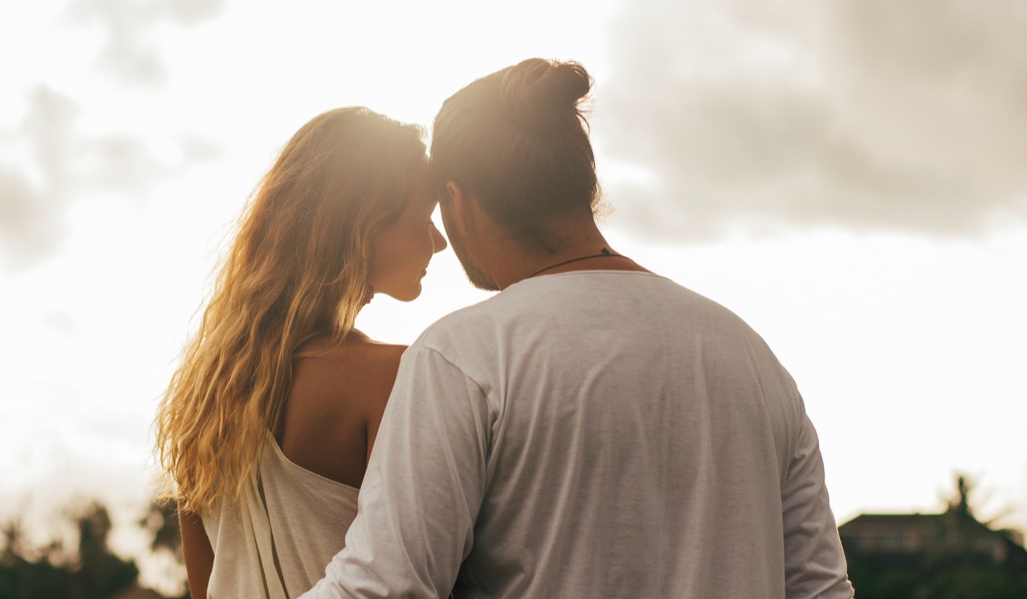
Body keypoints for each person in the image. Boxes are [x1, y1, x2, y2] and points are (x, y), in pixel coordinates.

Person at [301, 59, 854, 598]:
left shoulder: (463, 355)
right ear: (579, 186)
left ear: (459, 203)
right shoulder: (753, 358)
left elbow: (384, 588)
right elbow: (822, 590)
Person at [154, 106, 448, 599]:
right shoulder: (390, 377)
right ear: (363, 226)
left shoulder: (203, 401)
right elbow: (421, 580)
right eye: (424, 216)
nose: (438, 242)